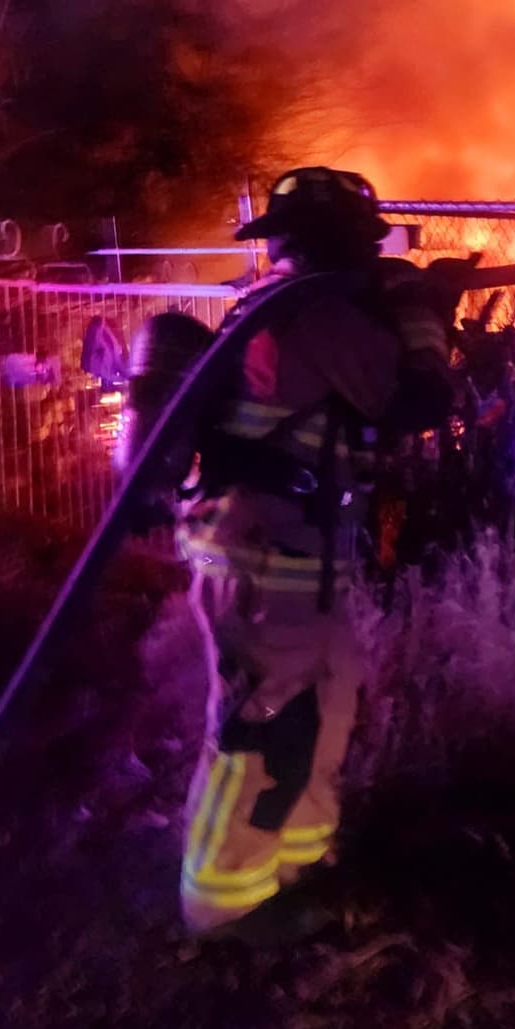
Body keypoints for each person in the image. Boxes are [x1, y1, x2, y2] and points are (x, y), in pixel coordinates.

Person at [171, 167, 453, 942]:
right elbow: (419, 399)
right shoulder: (317, 317)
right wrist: (422, 308)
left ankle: (298, 862)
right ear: (347, 247)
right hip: (265, 567)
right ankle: (223, 903)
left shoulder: (301, 309)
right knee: (261, 731)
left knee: (323, 712)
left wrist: (412, 305)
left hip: (299, 565)